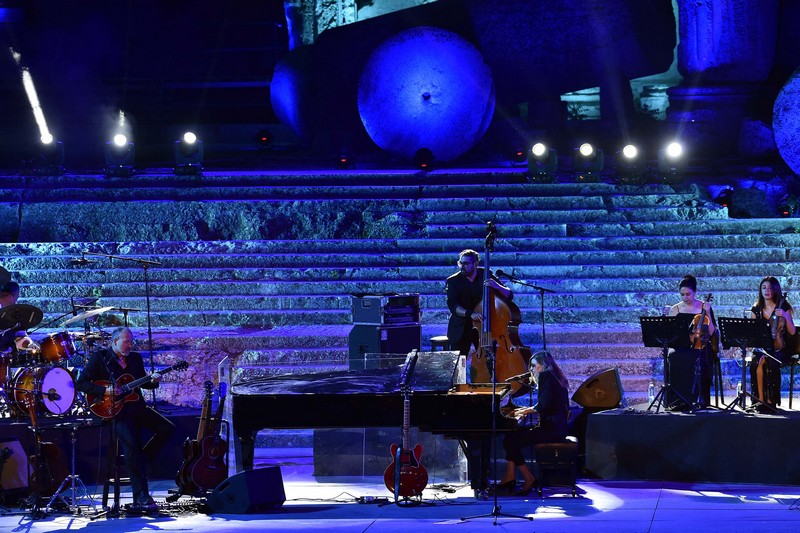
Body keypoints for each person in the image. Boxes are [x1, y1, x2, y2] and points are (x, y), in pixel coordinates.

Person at [76, 327, 174, 512]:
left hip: (136, 407)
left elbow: (142, 383)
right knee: (131, 444)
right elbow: (81, 383)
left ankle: (144, 458)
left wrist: (153, 381)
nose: (130, 345)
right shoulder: (101, 358)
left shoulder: (135, 358)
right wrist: (105, 390)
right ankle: (141, 495)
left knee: (167, 428)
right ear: (114, 342)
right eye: (126, 342)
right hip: (114, 412)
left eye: (131, 341)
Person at [444, 249, 513, 499]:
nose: (464, 267)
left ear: (476, 263)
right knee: (460, 360)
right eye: (461, 263)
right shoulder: (453, 281)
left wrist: (493, 284)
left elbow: (508, 295)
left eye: (468, 263)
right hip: (464, 326)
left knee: (487, 357)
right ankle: (460, 391)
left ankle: (489, 387)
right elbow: (453, 306)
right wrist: (470, 313)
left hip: (487, 327)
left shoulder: (486, 274)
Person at [497, 351, 570, 495]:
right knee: (511, 437)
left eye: (534, 366)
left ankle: (528, 478)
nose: (531, 370)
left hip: (551, 430)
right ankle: (510, 476)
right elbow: (545, 403)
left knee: (510, 441)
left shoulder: (546, 376)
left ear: (543, 365)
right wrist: (524, 410)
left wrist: (523, 412)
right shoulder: (556, 376)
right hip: (556, 428)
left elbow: (543, 405)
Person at [666, 274, 717, 409]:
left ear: (695, 292)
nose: (685, 298)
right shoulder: (675, 309)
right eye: (682, 295)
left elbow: (711, 332)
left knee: (703, 356)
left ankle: (699, 400)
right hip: (682, 345)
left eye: (688, 294)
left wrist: (707, 312)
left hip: (700, 345)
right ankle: (677, 400)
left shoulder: (704, 307)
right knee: (674, 356)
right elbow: (670, 332)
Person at [749, 276, 796, 411]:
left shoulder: (783, 306)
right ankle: (759, 400)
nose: (767, 290)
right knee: (756, 361)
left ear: (775, 290)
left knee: (771, 362)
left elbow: (792, 332)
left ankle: (771, 401)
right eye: (764, 288)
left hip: (779, 348)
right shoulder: (756, 308)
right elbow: (753, 332)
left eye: (770, 288)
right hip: (761, 347)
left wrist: (786, 316)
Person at [0, 282, 36, 358]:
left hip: (5, 356)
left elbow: (21, 336)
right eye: (16, 297)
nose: (16, 301)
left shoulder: (16, 314)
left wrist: (29, 345)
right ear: (9, 297)